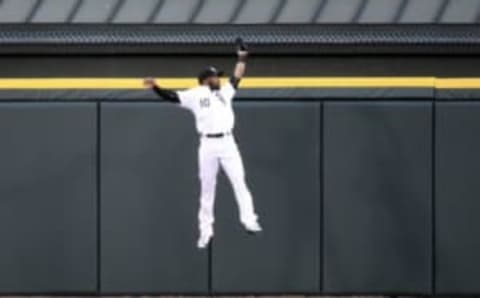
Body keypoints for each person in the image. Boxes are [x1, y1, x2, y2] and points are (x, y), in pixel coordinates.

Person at [143, 43, 262, 249]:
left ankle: (249, 220)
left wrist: (242, 58)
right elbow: (172, 97)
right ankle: (205, 232)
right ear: (207, 79)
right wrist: (156, 87)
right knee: (207, 189)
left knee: (239, 181)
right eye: (216, 76)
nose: (220, 79)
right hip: (207, 144)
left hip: (228, 143)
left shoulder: (225, 92)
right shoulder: (195, 94)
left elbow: (237, 77)